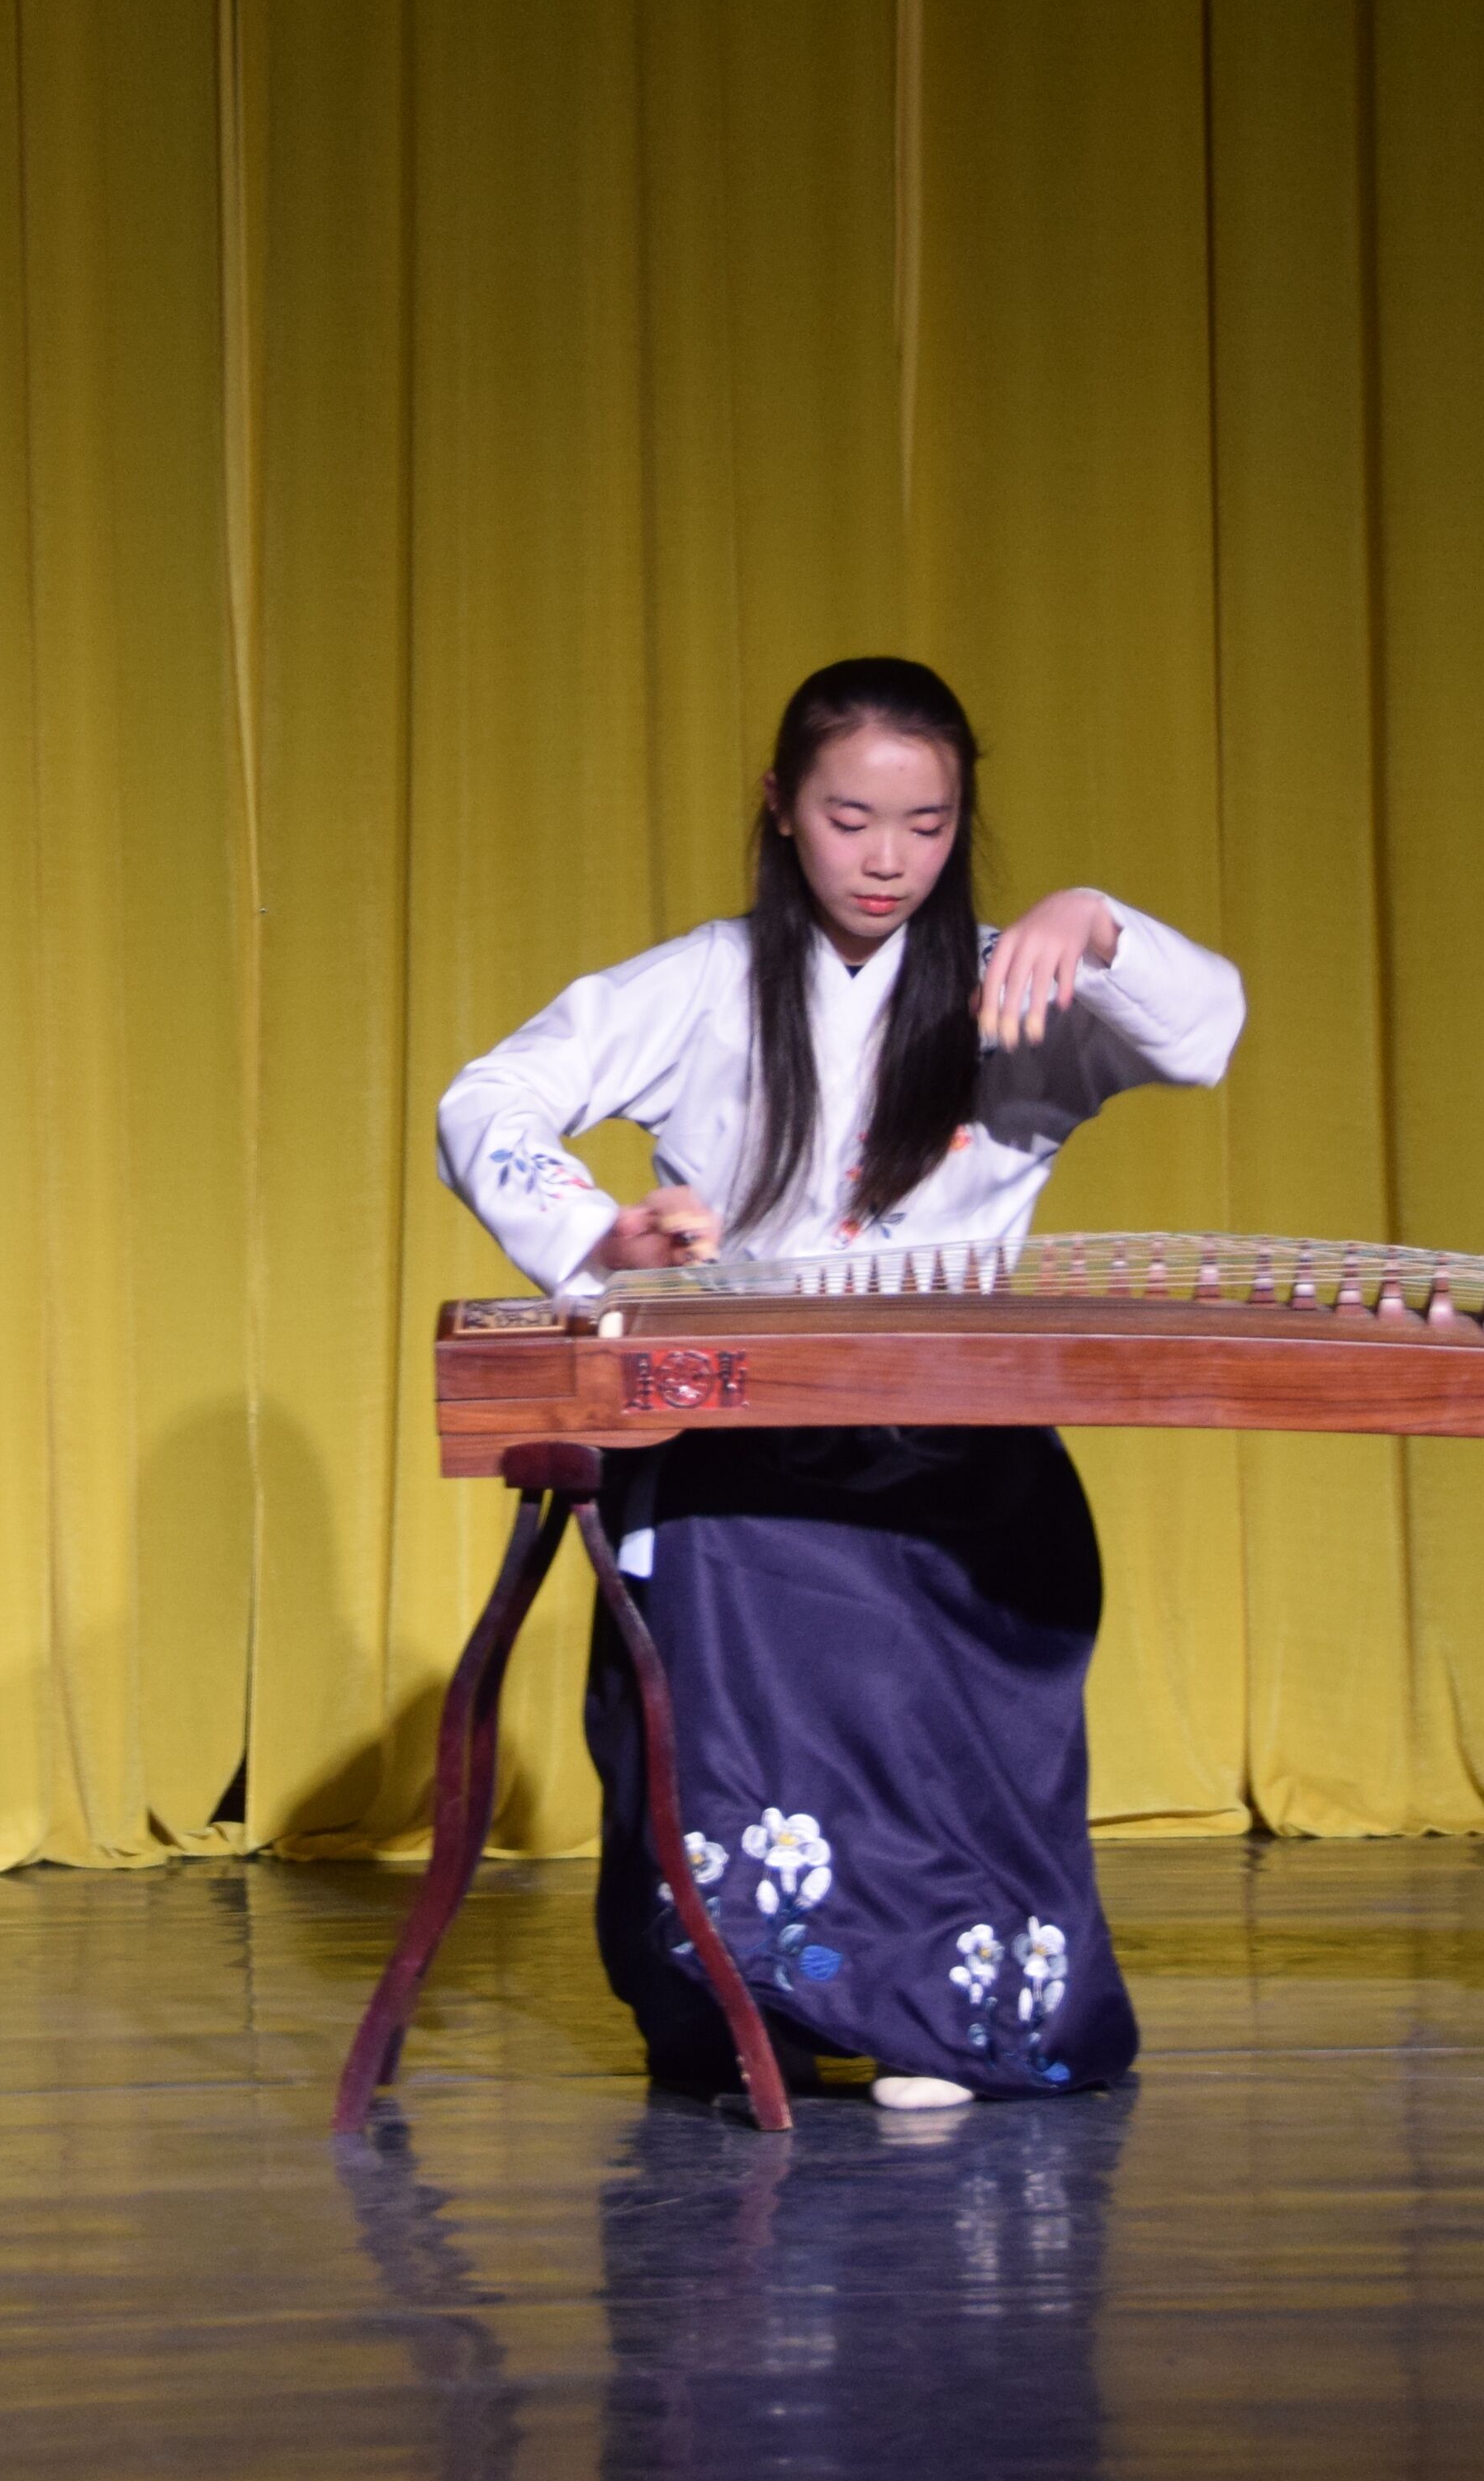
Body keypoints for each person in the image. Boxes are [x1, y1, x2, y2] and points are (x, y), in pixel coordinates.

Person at [433, 655, 1245, 2108]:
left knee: (973, 1674)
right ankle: (773, 2009)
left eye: (927, 825)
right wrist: (600, 1238)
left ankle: (947, 2019)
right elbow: (485, 1098)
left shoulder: (1018, 981)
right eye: (849, 818)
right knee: (756, 1644)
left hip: (961, 1436)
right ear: (782, 808)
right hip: (743, 1439)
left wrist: (1096, 920)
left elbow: (1207, 1032)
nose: (887, 860)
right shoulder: (706, 982)